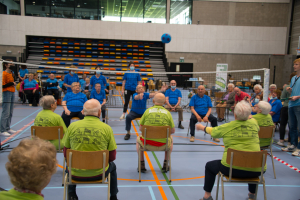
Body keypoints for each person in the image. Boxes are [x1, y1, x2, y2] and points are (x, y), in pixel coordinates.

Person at [196, 101, 265, 200]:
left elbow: (214, 132)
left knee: (209, 166)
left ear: (235, 114)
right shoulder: (254, 123)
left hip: (232, 169)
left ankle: (207, 196)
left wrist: (202, 127)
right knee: (250, 160)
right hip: (257, 169)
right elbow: (252, 118)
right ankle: (252, 194)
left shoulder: (228, 126)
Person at [63, 99, 118, 200]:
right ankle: (113, 196)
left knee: (69, 164)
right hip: (99, 174)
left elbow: (66, 152)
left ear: (82, 112)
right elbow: (112, 156)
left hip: (75, 174)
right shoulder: (107, 128)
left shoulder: (72, 126)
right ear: (99, 112)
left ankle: (71, 194)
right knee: (112, 166)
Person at [137, 93, 175, 172]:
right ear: (164, 103)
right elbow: (172, 131)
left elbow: (141, 128)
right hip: (163, 145)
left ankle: (141, 164)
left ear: (153, 101)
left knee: (138, 139)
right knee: (170, 138)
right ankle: (165, 164)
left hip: (147, 144)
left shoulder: (147, 111)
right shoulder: (168, 113)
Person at [282, 58, 300, 156]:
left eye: (296, 64)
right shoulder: (294, 78)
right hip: (291, 104)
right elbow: (293, 91)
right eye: (294, 64)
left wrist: (298, 96)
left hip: (299, 104)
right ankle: (293, 144)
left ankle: (299, 148)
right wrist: (289, 91)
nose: (294, 66)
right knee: (292, 126)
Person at [278, 72, 297, 146]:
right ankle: (289, 142)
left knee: (283, 124)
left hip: (286, 107)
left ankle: (281, 141)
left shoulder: (287, 87)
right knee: (291, 125)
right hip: (293, 107)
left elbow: (282, 98)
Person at [1, 60, 17, 136]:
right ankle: (2, 129)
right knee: (6, 112)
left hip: (12, 92)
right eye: (11, 63)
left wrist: (13, 84)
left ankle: (7, 128)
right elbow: (2, 85)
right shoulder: (3, 73)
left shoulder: (11, 73)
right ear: (6, 65)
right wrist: (11, 83)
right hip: (6, 92)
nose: (12, 64)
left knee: (10, 112)